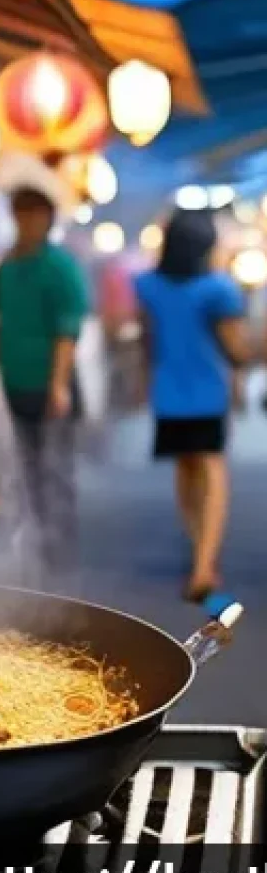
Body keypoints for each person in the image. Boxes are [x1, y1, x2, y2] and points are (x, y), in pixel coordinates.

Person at [134, 208, 251, 600]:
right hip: (206, 392)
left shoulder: (149, 285)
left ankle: (198, 543)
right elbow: (235, 348)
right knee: (212, 470)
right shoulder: (218, 288)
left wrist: (142, 380)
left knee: (186, 469)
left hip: (167, 392)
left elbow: (146, 340)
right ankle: (204, 563)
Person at [0, 185, 89, 585]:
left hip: (52, 387)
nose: (27, 223)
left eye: (35, 215)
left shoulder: (60, 266)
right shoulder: (6, 267)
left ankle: (60, 551)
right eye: (21, 214)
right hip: (17, 384)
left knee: (56, 469)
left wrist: (59, 385)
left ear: (48, 219)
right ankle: (36, 544)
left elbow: (68, 328)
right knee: (28, 467)